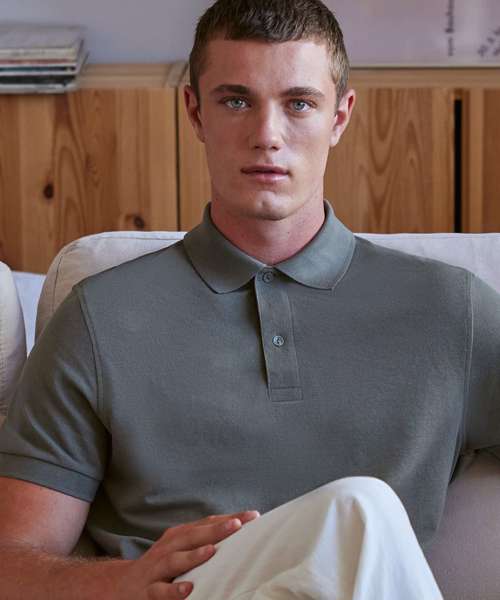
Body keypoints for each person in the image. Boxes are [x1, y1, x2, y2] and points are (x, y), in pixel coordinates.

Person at [0, 0, 499, 598]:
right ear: (195, 112)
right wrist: (121, 581)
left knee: (359, 512)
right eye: (236, 101)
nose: (267, 136)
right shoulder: (98, 318)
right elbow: (11, 561)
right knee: (358, 508)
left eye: (299, 104)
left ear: (340, 117)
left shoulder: (452, 310)